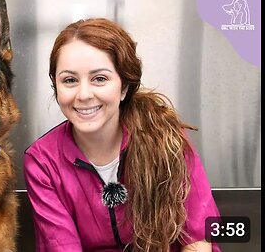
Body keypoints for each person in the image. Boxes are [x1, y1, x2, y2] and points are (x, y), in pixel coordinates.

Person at [23, 18, 221, 252]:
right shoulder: (43, 161)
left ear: (124, 87)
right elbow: (62, 246)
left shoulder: (167, 139)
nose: (84, 94)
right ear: (57, 89)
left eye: (100, 78)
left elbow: (198, 237)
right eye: (70, 80)